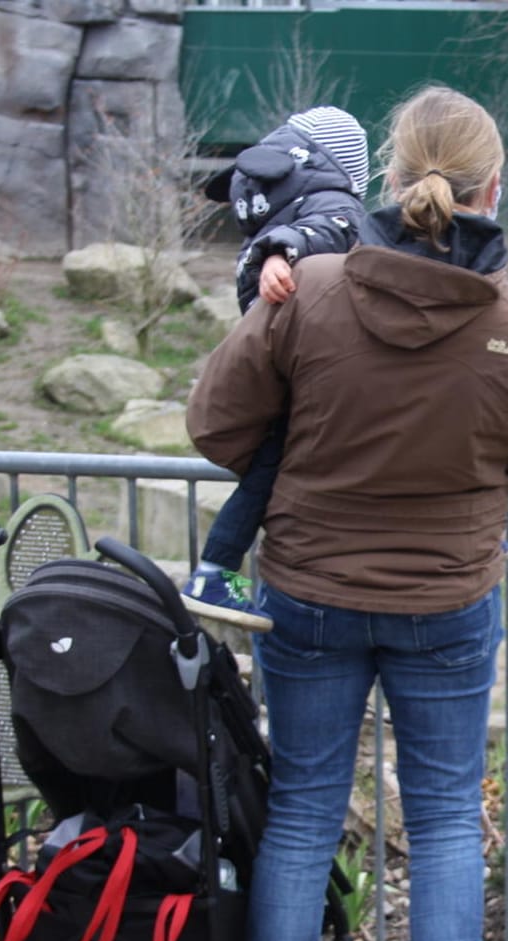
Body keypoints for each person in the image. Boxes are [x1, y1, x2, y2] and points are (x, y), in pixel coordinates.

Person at [185, 84, 508, 941]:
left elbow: (217, 427)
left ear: (389, 179)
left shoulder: (304, 293)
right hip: (448, 603)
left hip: (308, 596)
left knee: (306, 810)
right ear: (493, 187)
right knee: (446, 820)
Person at [183, 105, 371, 629]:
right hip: (320, 368)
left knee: (266, 474)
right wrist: (281, 252)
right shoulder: (331, 209)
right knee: (407, 418)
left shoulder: (278, 215)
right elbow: (328, 230)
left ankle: (216, 572)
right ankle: (467, 532)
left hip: (292, 372)